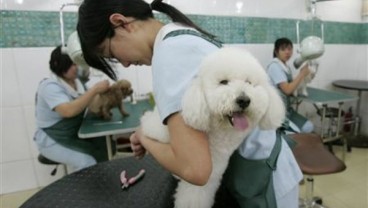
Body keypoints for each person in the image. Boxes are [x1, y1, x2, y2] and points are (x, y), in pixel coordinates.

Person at [77, 0, 302, 207]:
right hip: (262, 166)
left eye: (112, 55)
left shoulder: (170, 54)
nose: (124, 64)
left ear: (121, 23)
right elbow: (190, 122)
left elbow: (196, 171)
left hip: (264, 177)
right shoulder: (180, 34)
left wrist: (144, 137)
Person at [34, 45, 110, 172]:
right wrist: (95, 89)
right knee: (87, 161)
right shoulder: (49, 86)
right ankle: (85, 191)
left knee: (104, 146)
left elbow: (89, 103)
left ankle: (104, 185)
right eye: (71, 64)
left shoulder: (77, 80)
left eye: (76, 63)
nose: (76, 67)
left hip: (73, 134)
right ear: (59, 66)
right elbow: (68, 111)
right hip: (52, 139)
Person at [267, 37, 314, 133]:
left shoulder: (286, 67)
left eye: (289, 49)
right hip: (277, 113)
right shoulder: (274, 66)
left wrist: (307, 77)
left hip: (287, 110)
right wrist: (301, 74)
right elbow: (287, 90)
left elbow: (291, 88)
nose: (287, 52)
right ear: (276, 51)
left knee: (309, 127)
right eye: (283, 49)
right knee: (298, 132)